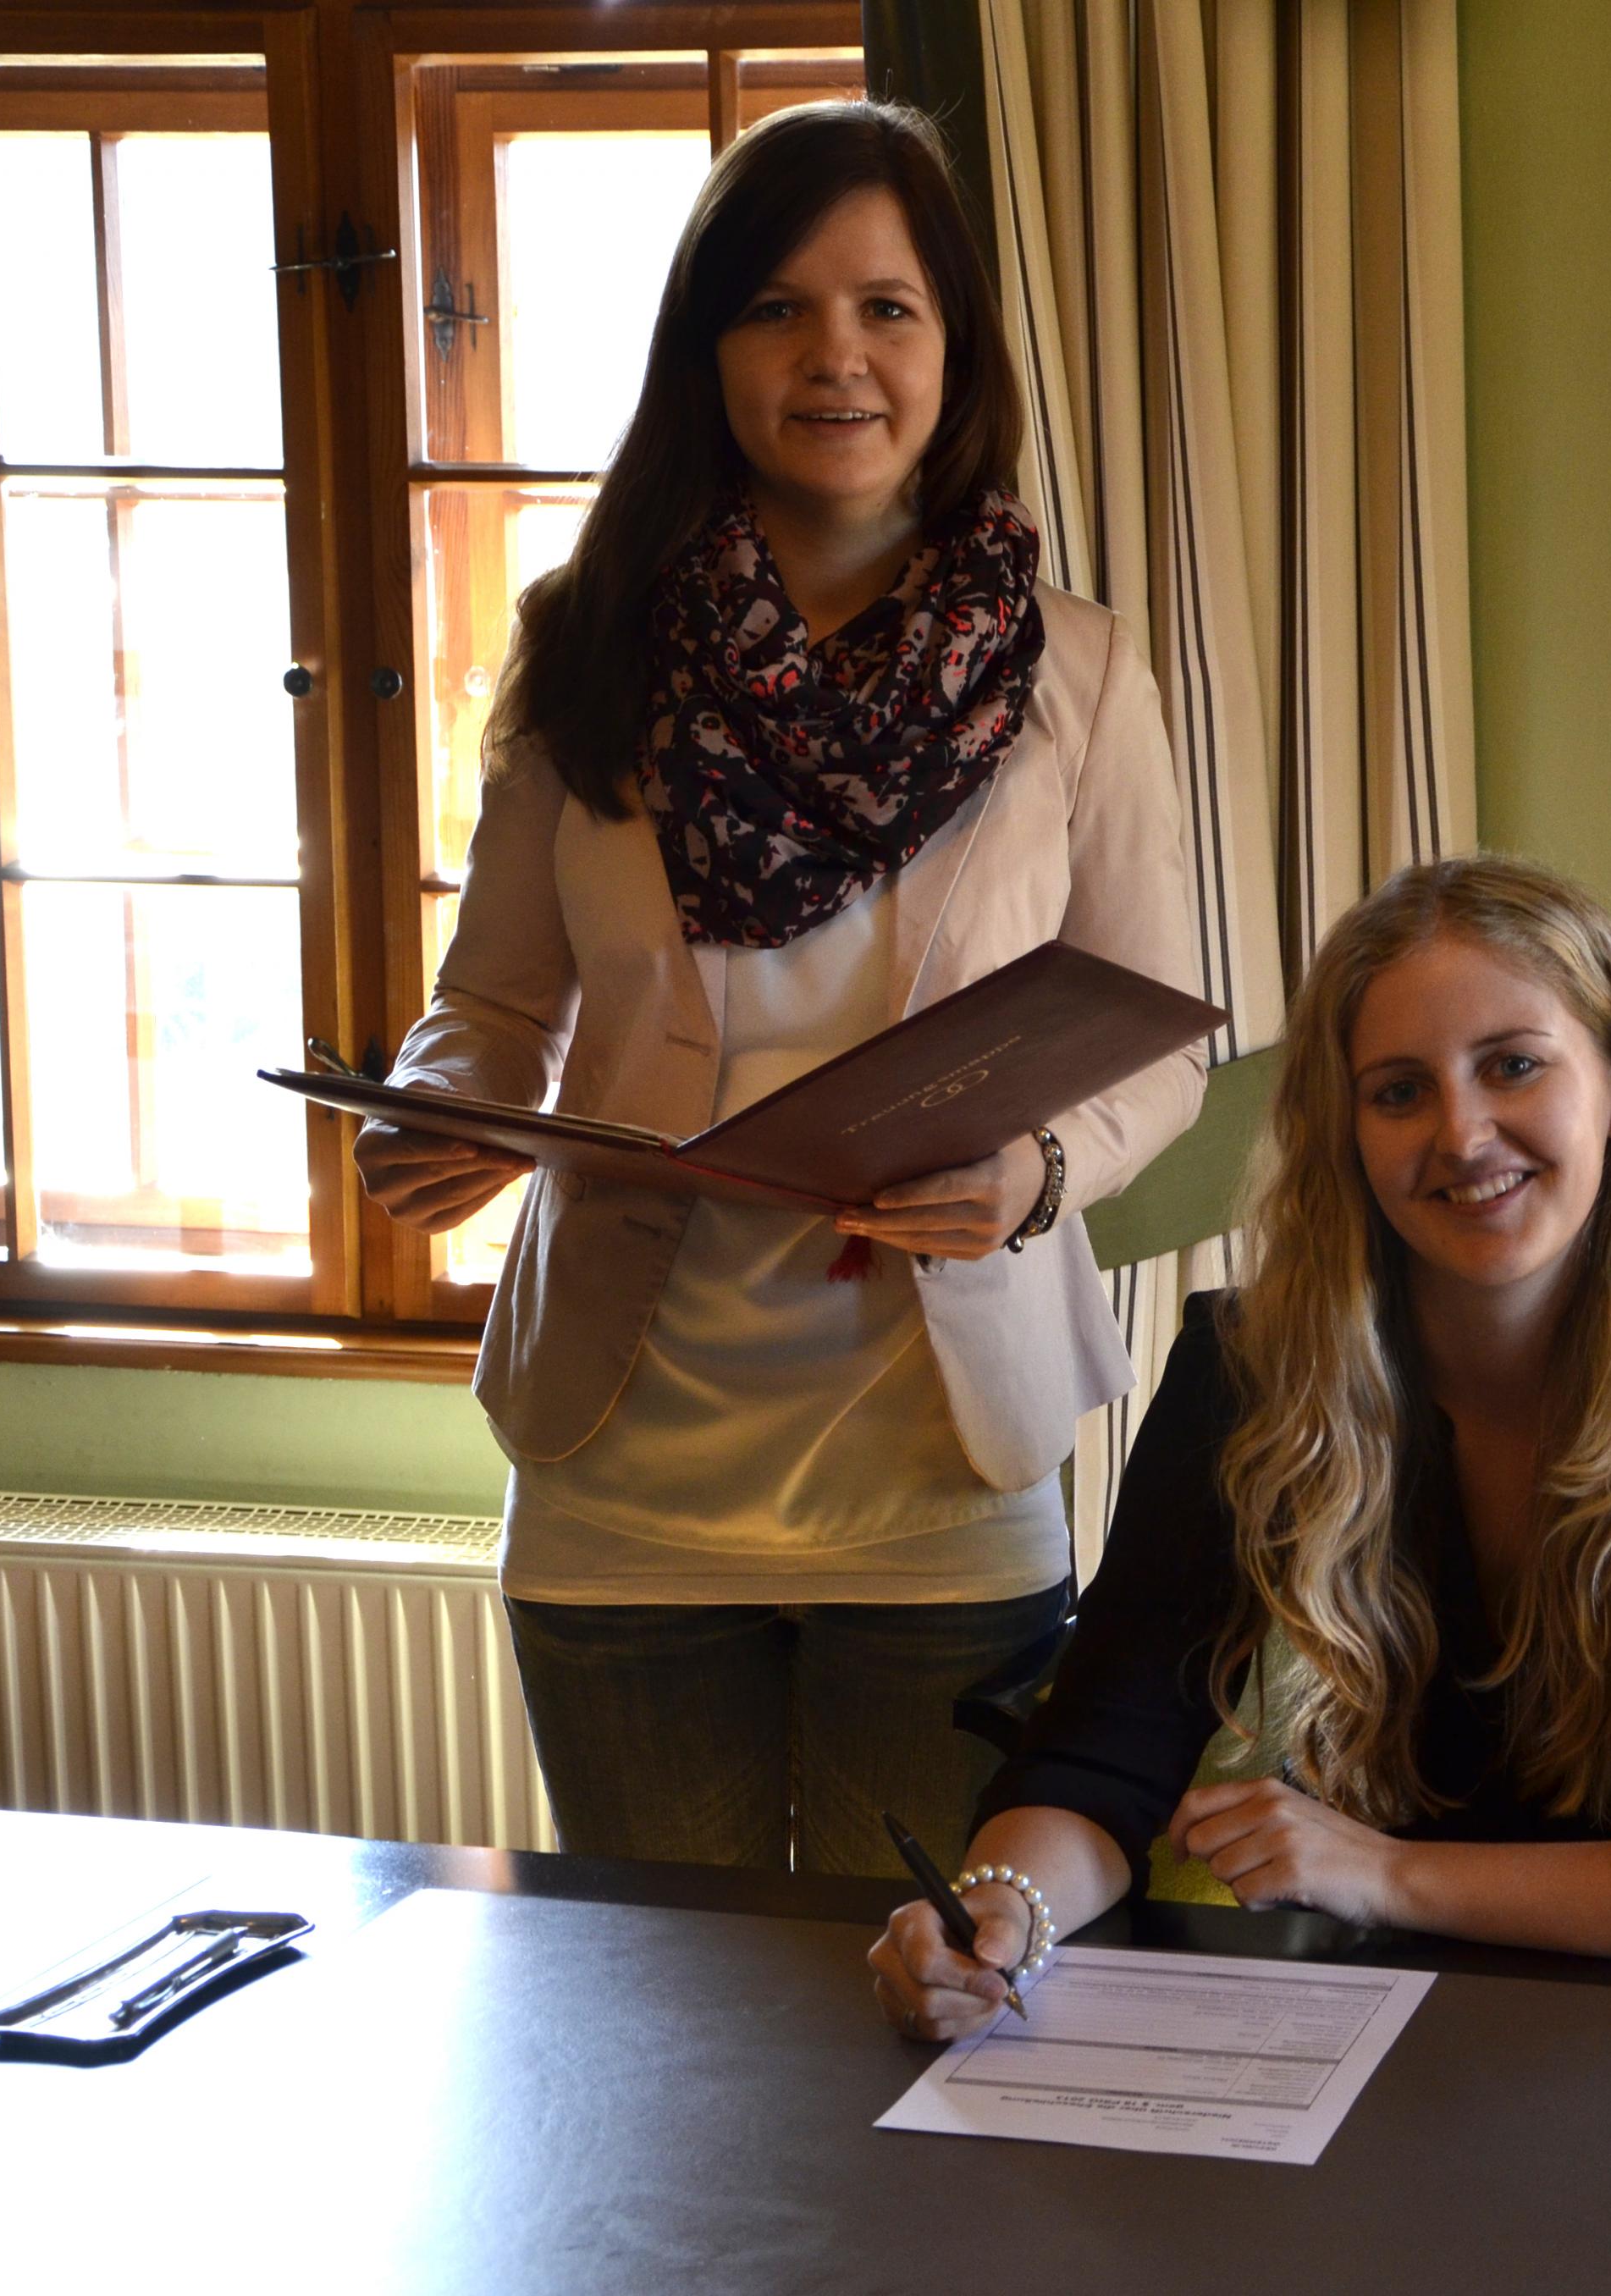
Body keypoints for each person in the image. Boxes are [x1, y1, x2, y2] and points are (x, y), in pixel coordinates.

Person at [358, 102, 1201, 1880]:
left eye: (888, 308)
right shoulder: (585, 636)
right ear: (707, 348)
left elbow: (1156, 1039)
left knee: (924, 1988)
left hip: (942, 1474)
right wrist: (440, 1106)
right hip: (621, 1469)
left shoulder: (1076, 668)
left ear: (953, 348)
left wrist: (1036, 1171)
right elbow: (489, 1001)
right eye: (778, 309)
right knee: (672, 2002)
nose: (837, 356)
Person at [869, 856, 1611, 2034]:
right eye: (1401, 1091)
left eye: (1513, 1065)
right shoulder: (1247, 1373)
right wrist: (1005, 1910)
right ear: (1348, 1132)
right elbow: (1102, 1756)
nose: (1463, 1135)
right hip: (1376, 2024)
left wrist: (1387, 1874)